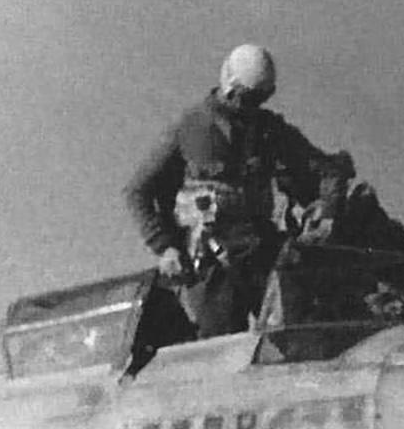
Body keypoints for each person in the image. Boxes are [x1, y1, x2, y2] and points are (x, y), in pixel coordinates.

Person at [124, 43, 354, 338]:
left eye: (260, 98)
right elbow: (138, 191)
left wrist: (328, 211)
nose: (251, 106)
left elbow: (327, 170)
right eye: (246, 97)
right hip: (212, 266)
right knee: (218, 351)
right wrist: (164, 247)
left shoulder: (269, 130)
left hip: (262, 257)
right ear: (229, 86)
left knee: (293, 339)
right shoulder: (190, 127)